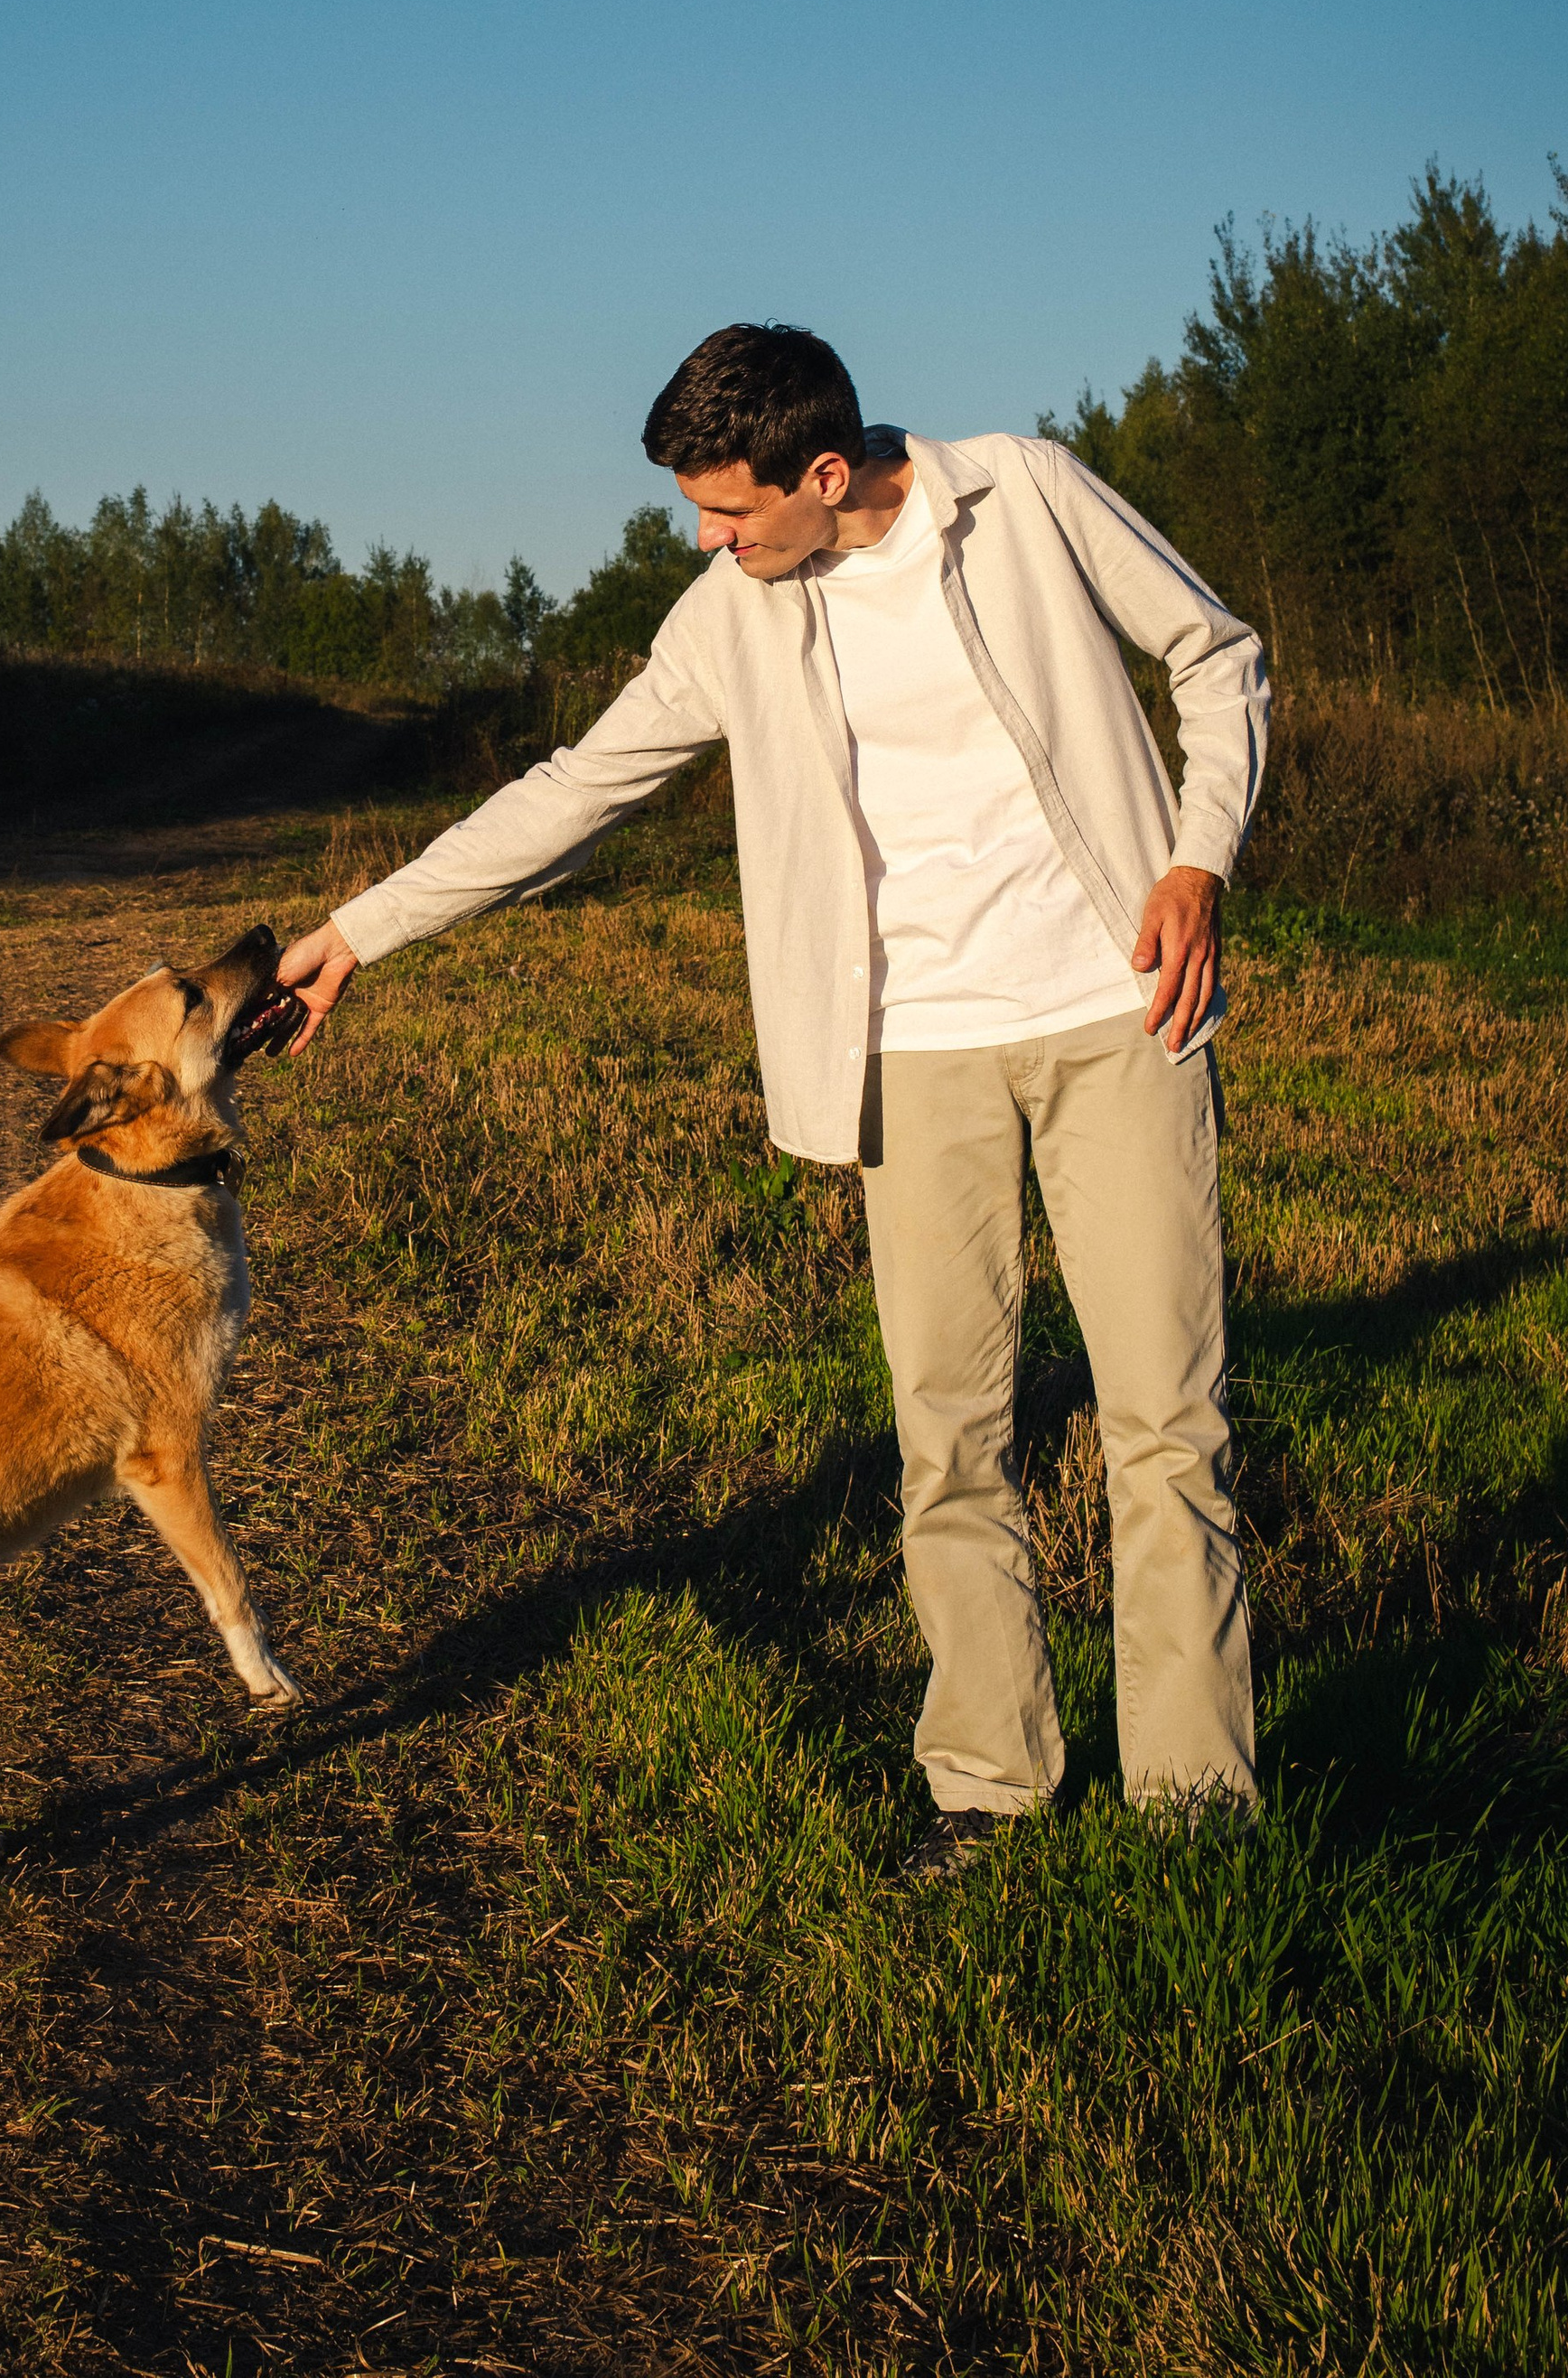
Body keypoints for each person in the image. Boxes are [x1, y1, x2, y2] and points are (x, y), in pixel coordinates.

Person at [277, 322, 1269, 1876]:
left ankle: (1198, 1821)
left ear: (825, 473)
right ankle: (989, 1795)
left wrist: (1198, 856)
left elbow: (1216, 651)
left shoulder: (1026, 496)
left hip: (1115, 1012)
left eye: (729, 512)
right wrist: (356, 931)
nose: (707, 539)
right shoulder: (727, 618)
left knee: (1165, 1429)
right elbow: (571, 792)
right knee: (950, 1436)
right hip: (910, 1053)